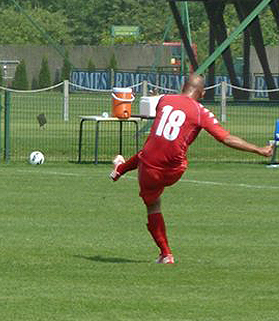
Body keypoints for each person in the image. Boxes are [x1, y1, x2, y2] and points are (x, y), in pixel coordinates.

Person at [110, 74, 272, 264]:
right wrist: (258, 150)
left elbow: (162, 115)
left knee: (153, 202)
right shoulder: (201, 112)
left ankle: (166, 254)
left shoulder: (165, 99)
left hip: (150, 170)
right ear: (202, 93)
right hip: (175, 169)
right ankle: (119, 170)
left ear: (183, 86)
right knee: (148, 152)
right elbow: (226, 138)